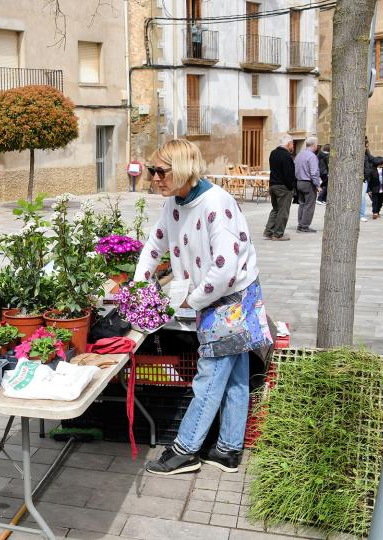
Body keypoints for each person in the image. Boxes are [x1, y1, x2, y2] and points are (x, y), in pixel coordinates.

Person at [136, 139, 272, 476]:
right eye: (153, 171)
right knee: (235, 374)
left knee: (210, 376)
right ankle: (227, 449)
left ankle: (185, 449)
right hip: (223, 298)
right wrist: (139, 284)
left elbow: (225, 268)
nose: (154, 177)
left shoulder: (216, 204)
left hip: (231, 300)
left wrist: (189, 301)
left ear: (181, 170)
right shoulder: (175, 202)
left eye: (160, 171)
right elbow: (156, 243)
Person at [263, 135, 295, 241]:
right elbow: (288, 174)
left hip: (273, 185)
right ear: (288, 143)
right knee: (283, 211)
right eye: (292, 144)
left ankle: (269, 231)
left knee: (275, 209)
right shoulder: (286, 156)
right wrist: (291, 187)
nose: (293, 146)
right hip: (283, 187)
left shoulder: (273, 153)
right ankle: (278, 234)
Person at [294, 136, 321, 233]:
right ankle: (304, 226)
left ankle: (300, 224)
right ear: (314, 145)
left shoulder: (299, 154)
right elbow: (314, 173)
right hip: (308, 183)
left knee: (302, 204)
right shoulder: (312, 156)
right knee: (309, 205)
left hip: (299, 181)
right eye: (317, 144)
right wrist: (317, 185)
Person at [364, 138, 383, 222]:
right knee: (375, 201)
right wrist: (368, 190)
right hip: (374, 188)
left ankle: (377, 211)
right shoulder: (372, 170)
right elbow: (369, 180)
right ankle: (375, 212)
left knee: (380, 201)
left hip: (382, 188)